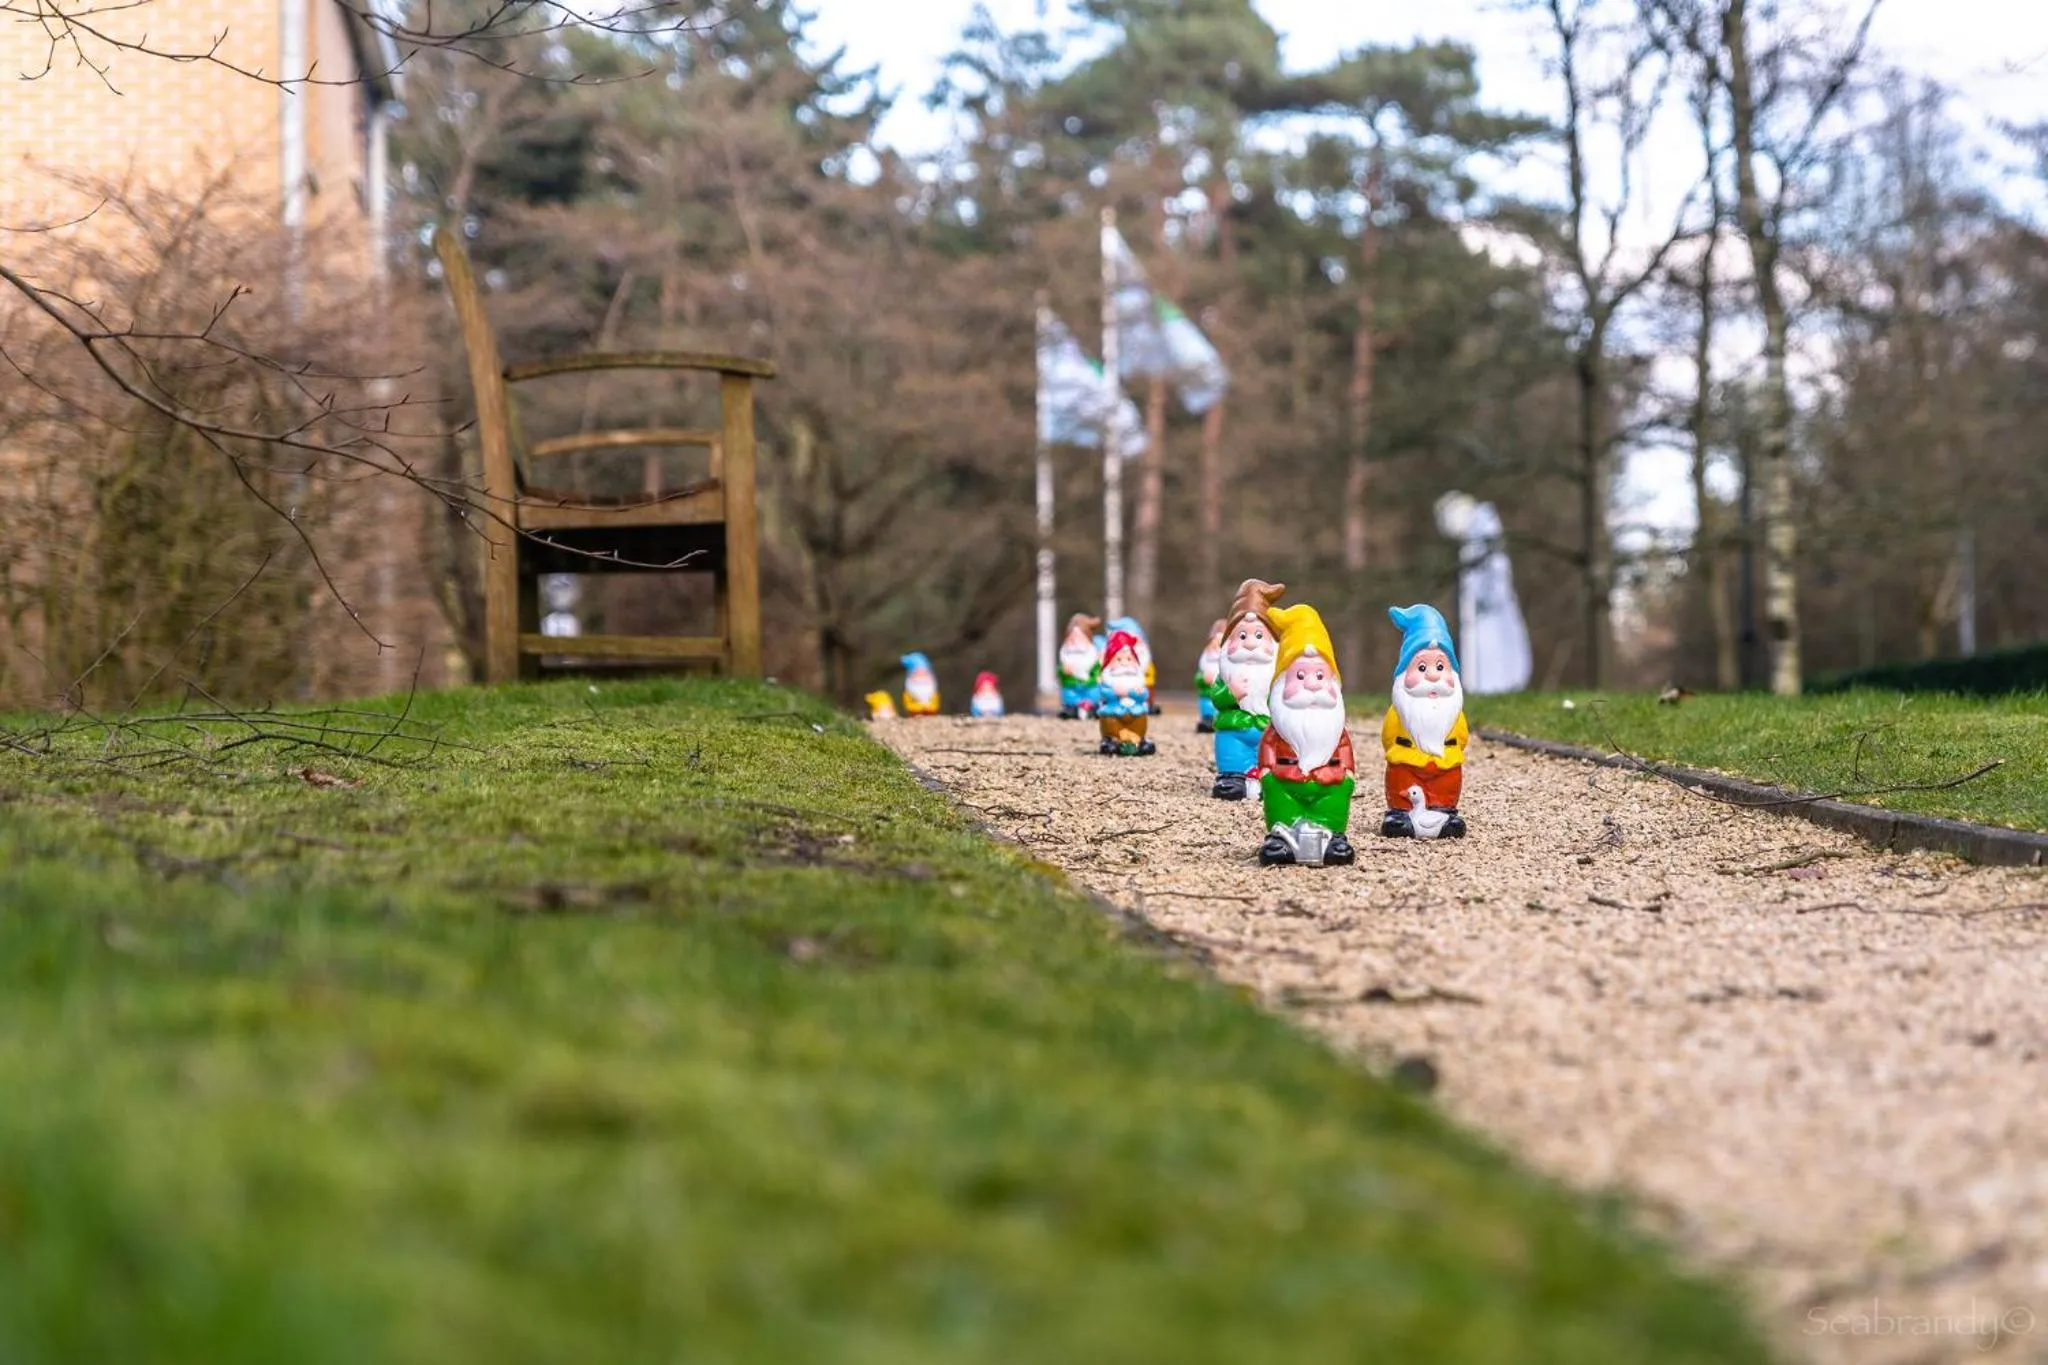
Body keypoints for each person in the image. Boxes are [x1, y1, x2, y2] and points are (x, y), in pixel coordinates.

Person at [1251, 602, 1356, 866]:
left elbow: (1344, 750)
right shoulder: (1279, 729)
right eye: (1300, 676)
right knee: (1279, 798)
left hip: (1329, 783)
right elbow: (1268, 748)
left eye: (1319, 675)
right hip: (1286, 782)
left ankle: (1332, 836)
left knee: (1335, 799)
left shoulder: (1334, 727)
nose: (1311, 685)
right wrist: (1266, 773)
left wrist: (1348, 774)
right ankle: (1282, 837)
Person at [1379, 604, 1469, 839]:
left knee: (1447, 785)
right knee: (1401, 781)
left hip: (1445, 767)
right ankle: (1400, 812)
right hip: (1407, 766)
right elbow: (1388, 738)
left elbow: (1462, 738)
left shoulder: (1454, 713)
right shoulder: (1399, 711)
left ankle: (1444, 810)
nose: (1432, 675)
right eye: (1421, 667)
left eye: (1441, 667)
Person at [1199, 580, 1285, 800]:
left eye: (1259, 636)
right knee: (1230, 755)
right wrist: (1230, 692)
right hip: (1234, 730)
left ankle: (1272, 778)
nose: (1249, 644)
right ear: (1228, 644)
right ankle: (1232, 777)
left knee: (1276, 761)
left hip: (1270, 732)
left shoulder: (1278, 674)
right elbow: (1216, 698)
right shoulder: (1227, 674)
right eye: (1242, 636)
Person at [1094, 629, 1155, 757]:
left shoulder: (1137, 678)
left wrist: (1135, 693)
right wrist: (1115, 693)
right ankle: (1112, 740)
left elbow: (1144, 695)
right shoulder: (1108, 679)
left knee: (1141, 716)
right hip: (1114, 711)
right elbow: (1103, 693)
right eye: (1119, 659)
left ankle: (1138, 739)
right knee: (1109, 719)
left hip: (1135, 712)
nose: (1125, 663)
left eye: (1129, 659)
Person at [1056, 614, 1103, 719]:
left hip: (1090, 685)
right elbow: (1059, 671)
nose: (1074, 642)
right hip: (1072, 686)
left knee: (1094, 693)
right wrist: (1063, 671)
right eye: (1071, 639)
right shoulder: (1065, 656)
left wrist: (1098, 675)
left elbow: (1097, 670)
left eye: (1079, 638)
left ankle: (1093, 709)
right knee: (1069, 694)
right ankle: (1070, 710)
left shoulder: (1092, 655)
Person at [1194, 619, 1225, 734]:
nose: (1215, 648)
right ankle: (1206, 720)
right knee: (1206, 705)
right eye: (1214, 644)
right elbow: (1197, 679)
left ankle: (1218, 721)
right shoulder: (1205, 661)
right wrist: (1203, 679)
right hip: (1207, 695)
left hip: (1221, 698)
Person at [900, 652, 941, 717]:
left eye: (924, 673)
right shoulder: (909, 693)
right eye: (917, 674)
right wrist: (918, 707)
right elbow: (908, 705)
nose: (921, 677)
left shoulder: (932, 692)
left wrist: (929, 707)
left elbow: (936, 704)